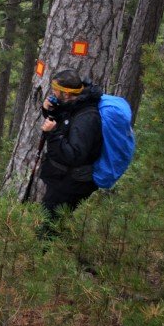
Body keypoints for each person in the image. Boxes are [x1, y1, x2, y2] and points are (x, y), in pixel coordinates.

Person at [38, 69, 103, 220]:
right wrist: (49, 111)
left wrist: (52, 133)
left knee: (51, 226)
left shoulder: (86, 119)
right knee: (54, 222)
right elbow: (65, 122)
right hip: (62, 179)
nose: (52, 93)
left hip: (71, 184)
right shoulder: (75, 104)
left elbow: (74, 155)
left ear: (66, 94)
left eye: (55, 90)